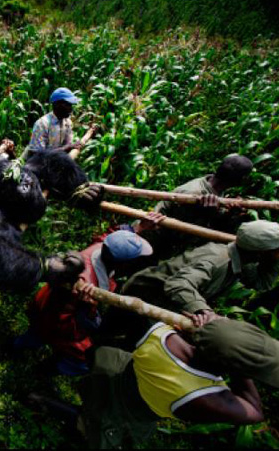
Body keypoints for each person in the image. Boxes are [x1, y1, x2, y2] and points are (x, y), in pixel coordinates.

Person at [79, 312, 278, 448]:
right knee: (89, 427)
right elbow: (255, 412)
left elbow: (124, 315)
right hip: (128, 413)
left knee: (94, 364)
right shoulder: (203, 398)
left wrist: (209, 332)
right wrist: (241, 368)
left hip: (114, 370)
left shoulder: (158, 333)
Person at [19, 217, 164, 375]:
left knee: (33, 334)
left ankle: (20, 346)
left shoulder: (99, 249)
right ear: (123, 264)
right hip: (52, 319)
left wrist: (138, 228)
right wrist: (86, 309)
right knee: (83, 360)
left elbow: (108, 236)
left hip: (44, 300)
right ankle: (42, 370)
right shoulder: (88, 288)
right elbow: (65, 324)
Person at [106, 220, 279, 346]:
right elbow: (178, 284)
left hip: (163, 300)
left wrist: (272, 262)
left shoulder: (242, 260)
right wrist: (203, 310)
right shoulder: (216, 260)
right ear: (261, 252)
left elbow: (261, 283)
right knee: (119, 336)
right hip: (144, 295)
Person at [148, 154, 255, 255]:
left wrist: (230, 213)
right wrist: (208, 214)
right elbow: (177, 231)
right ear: (240, 179)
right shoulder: (193, 194)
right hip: (152, 236)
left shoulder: (214, 186)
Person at [25, 87, 87, 158]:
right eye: (68, 105)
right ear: (56, 105)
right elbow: (37, 154)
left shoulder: (67, 122)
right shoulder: (42, 124)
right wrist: (67, 148)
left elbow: (68, 145)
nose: (71, 109)